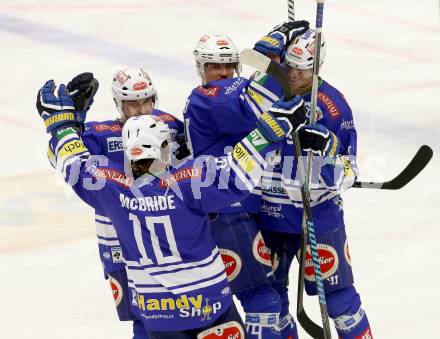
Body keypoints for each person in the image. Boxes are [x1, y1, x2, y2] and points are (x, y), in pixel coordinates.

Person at [36, 76, 310, 338]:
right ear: (164, 148)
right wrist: (266, 131)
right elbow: (237, 172)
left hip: (157, 314)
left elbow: (73, 163)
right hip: (207, 304)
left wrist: (62, 126)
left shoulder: (110, 187)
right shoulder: (188, 181)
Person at [183, 28, 307, 339]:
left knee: (275, 294)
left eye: (229, 65)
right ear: (201, 67)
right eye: (215, 66)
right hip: (227, 210)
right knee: (260, 298)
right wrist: (271, 60)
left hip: (248, 205)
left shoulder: (228, 91)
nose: (224, 73)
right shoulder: (206, 98)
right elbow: (256, 105)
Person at [46, 68, 185, 339]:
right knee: (140, 317)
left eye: (147, 100)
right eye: (133, 103)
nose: (142, 109)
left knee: (174, 314)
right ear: (118, 104)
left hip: (162, 235)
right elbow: (59, 158)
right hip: (116, 238)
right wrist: (74, 122)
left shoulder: (170, 125)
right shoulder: (100, 134)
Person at [255, 27, 373, 339]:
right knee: (270, 302)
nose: (293, 75)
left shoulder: (333, 106)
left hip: (317, 215)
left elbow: (348, 172)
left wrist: (328, 148)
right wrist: (273, 38)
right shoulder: (271, 88)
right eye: (289, 66)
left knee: (340, 302)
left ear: (317, 67)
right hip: (271, 215)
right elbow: (247, 63)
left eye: (302, 70)